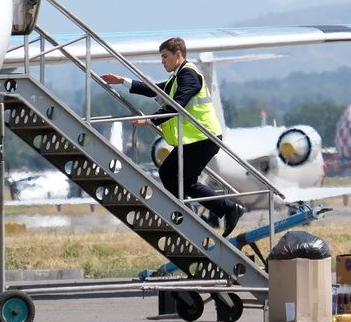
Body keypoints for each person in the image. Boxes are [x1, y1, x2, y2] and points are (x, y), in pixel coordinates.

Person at [99, 37, 244, 236]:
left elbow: (178, 103)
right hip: (195, 139)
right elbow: (155, 90)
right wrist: (122, 81)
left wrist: (150, 120)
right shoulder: (178, 76)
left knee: (185, 180)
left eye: (165, 56)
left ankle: (223, 209)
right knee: (168, 172)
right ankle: (193, 212)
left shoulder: (188, 75)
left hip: (204, 137)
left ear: (178, 54)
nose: (162, 61)